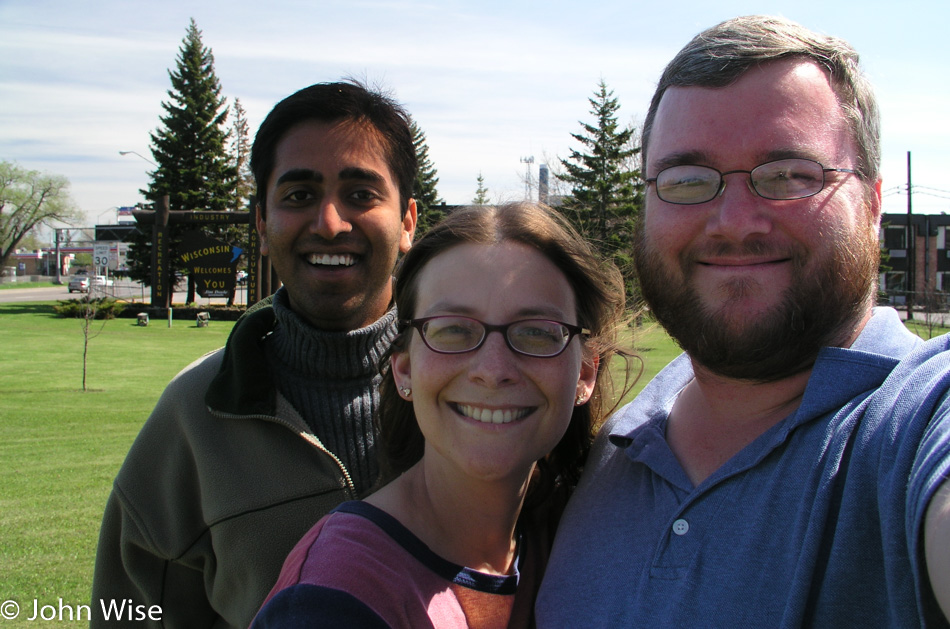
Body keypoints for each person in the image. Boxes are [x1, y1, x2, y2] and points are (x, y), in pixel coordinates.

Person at [536, 15, 950, 628]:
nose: (733, 221)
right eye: (686, 180)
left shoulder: (918, 419)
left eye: (787, 175)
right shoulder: (607, 448)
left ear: (872, 203)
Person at [90, 80, 418, 628]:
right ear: (262, 224)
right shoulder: (193, 416)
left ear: (407, 221)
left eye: (361, 194)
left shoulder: (476, 390)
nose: (330, 223)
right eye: (298, 196)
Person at [250, 202, 632, 628]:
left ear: (584, 373)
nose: (492, 371)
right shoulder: (329, 601)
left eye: (538, 332)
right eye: (453, 329)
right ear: (404, 368)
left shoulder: (589, 539)